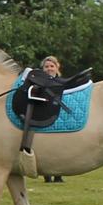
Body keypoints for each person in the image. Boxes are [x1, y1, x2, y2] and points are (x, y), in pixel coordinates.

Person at [38, 55, 65, 183]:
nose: (49, 69)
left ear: (57, 67)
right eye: (46, 67)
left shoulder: (63, 82)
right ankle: (46, 175)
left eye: (51, 66)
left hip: (60, 115)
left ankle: (59, 175)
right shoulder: (38, 82)